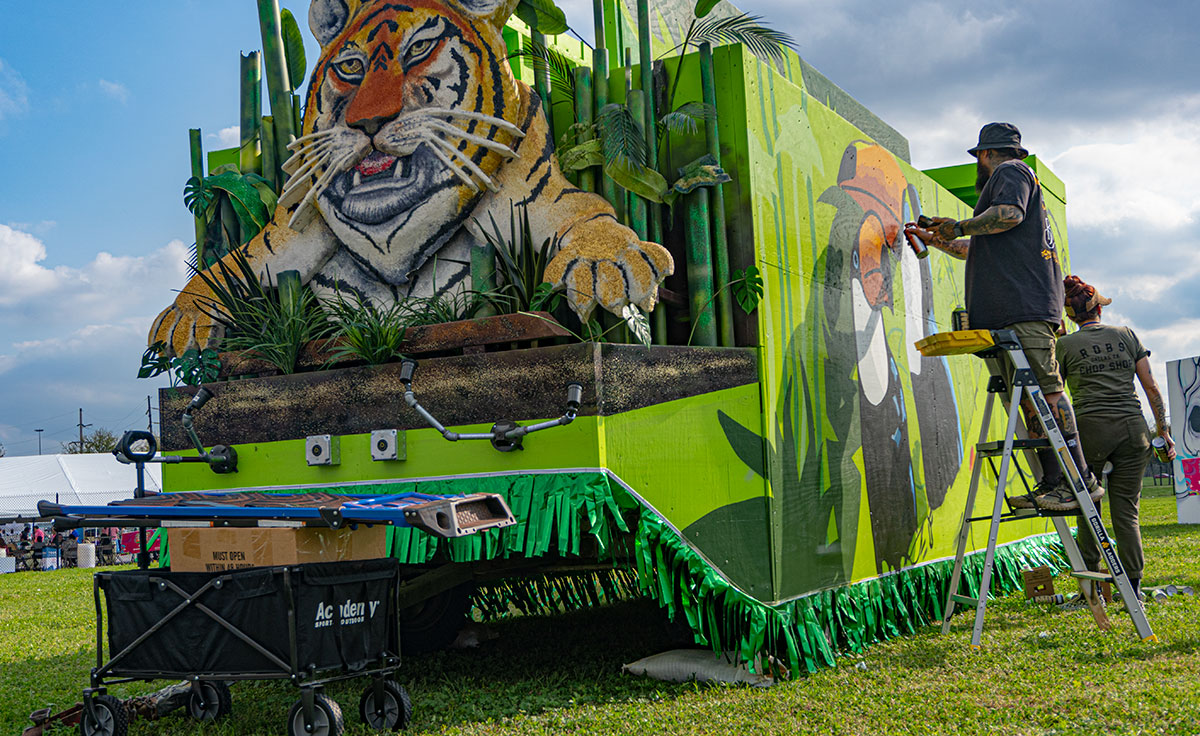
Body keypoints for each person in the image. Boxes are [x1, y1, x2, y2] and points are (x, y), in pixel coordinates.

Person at [904, 122, 1100, 510]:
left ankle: (1081, 480)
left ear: (985, 154)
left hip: (1024, 310)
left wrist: (957, 224)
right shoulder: (1010, 183)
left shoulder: (1010, 172)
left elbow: (1008, 214)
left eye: (979, 156)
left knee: (1045, 390)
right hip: (1015, 312)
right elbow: (974, 248)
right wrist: (939, 238)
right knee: (1029, 399)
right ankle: (1053, 483)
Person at [1056, 275, 1174, 598]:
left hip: (1089, 432)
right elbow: (1151, 388)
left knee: (1087, 508)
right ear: (1099, 310)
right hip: (1133, 431)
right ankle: (1133, 591)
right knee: (1127, 512)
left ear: (1071, 315)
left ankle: (1091, 590)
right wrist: (1163, 432)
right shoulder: (1126, 334)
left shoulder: (1064, 345)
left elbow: (1056, 392)